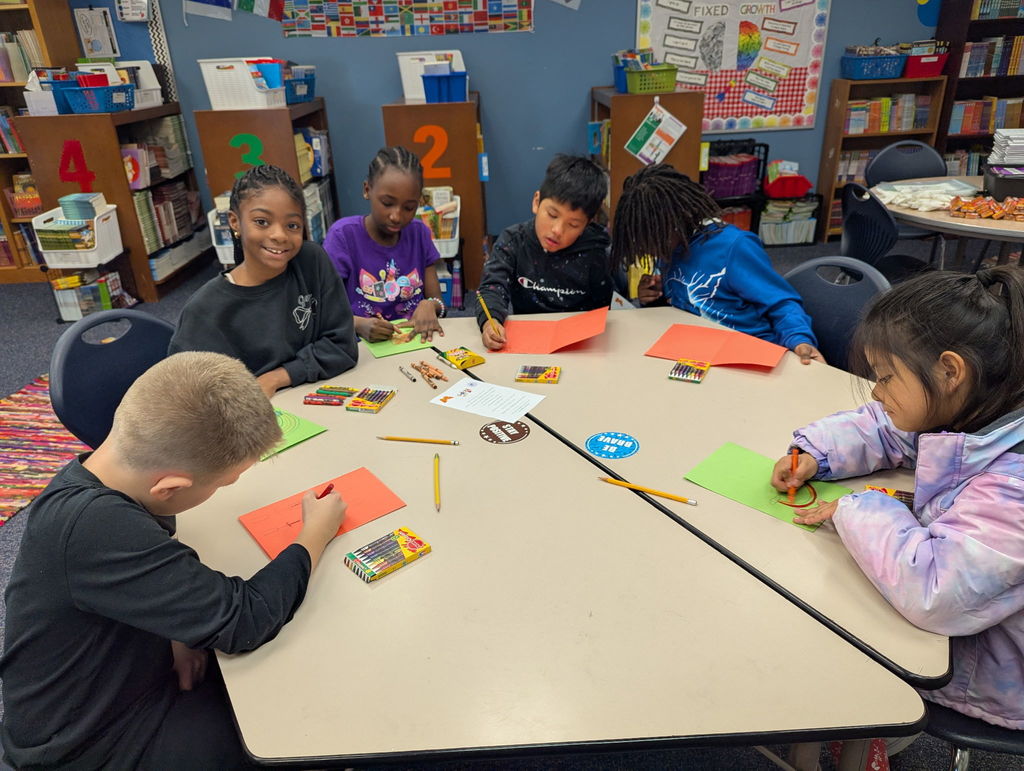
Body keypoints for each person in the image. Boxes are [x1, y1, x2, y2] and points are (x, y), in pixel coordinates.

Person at [0, 352, 349, 769]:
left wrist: (175, 635)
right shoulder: (98, 528)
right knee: (306, 727)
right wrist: (314, 534)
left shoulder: (99, 478)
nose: (223, 489)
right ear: (170, 487)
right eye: (223, 483)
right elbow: (245, 619)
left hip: (122, 681)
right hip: (87, 748)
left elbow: (126, 582)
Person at [771, 267, 1024, 730]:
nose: (877, 390)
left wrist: (856, 506)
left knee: (809, 636)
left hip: (984, 673)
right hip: (951, 635)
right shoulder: (977, 405)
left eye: (886, 377)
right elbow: (886, 424)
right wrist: (815, 452)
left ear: (950, 371)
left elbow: (936, 591)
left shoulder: (1016, 487)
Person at [169, 164, 358, 398]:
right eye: (262, 222)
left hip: (314, 400)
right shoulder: (205, 311)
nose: (279, 235)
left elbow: (342, 346)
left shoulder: (312, 262)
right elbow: (185, 396)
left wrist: (275, 378)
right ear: (235, 222)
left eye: (292, 225)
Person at [611, 163, 823, 365]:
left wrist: (799, 339)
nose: (651, 248)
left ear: (677, 220)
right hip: (699, 352)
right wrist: (653, 299)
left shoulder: (733, 247)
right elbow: (684, 303)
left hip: (748, 353)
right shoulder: (669, 248)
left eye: (654, 239)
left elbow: (781, 302)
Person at [476, 154, 613, 351]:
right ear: (536, 202)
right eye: (552, 214)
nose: (557, 230)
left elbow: (602, 307)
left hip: (579, 344)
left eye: (573, 224)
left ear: (586, 225)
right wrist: (491, 322)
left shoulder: (596, 251)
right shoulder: (513, 241)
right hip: (526, 340)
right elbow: (491, 288)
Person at [324, 146, 446, 343]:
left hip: (415, 342)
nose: (396, 216)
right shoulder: (343, 237)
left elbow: (438, 300)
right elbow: (324, 311)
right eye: (387, 203)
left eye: (409, 207)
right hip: (362, 348)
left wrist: (430, 305)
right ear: (367, 190)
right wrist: (356, 324)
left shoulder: (419, 232)